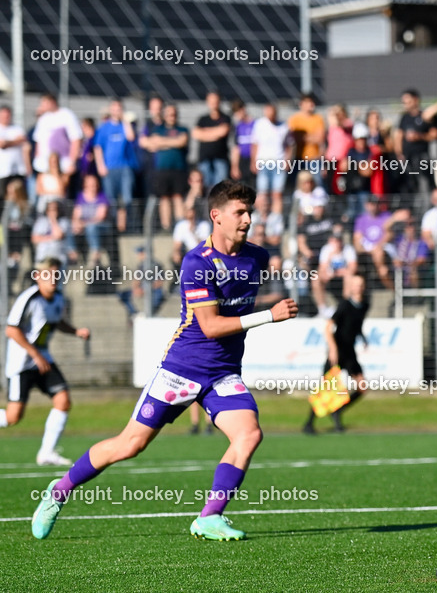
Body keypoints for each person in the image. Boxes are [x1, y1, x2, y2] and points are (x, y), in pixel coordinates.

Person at [30, 180, 299, 541]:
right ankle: (57, 492)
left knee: (249, 434)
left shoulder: (258, 258)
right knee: (130, 445)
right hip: (181, 369)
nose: (248, 218)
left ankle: (209, 517)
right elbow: (210, 325)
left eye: (250, 211)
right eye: (240, 212)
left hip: (222, 374)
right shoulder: (196, 263)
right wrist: (269, 315)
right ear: (216, 216)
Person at [2, 258, 90, 465]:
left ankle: (46, 453)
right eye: (48, 275)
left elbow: (56, 322)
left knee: (63, 400)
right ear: (37, 276)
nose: (53, 279)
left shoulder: (58, 298)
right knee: (13, 417)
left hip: (42, 358)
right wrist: (35, 354)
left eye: (56, 275)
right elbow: (11, 329)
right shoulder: (28, 299)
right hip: (22, 362)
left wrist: (76, 331)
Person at [304, 275, 370, 434]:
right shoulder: (344, 305)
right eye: (355, 285)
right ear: (351, 287)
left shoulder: (364, 305)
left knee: (362, 387)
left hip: (350, 353)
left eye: (361, 284)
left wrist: (363, 337)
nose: (358, 288)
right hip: (338, 350)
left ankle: (337, 411)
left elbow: (356, 325)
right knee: (326, 388)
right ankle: (309, 423)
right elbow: (328, 327)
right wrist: (332, 349)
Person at [93, 98, 138, 232]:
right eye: (114, 109)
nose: (116, 111)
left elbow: (131, 137)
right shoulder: (104, 128)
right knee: (111, 200)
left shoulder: (125, 126)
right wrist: (101, 166)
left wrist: (124, 120)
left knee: (126, 199)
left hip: (125, 167)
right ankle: (113, 227)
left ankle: (125, 227)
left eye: (119, 109)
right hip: (109, 168)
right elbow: (98, 148)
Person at [193, 92, 233, 188]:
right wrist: (215, 132)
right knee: (205, 187)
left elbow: (223, 131)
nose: (213, 103)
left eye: (215, 101)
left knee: (220, 188)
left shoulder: (225, 118)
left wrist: (205, 132)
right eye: (211, 101)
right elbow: (196, 134)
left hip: (221, 158)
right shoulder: (202, 119)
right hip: (204, 158)